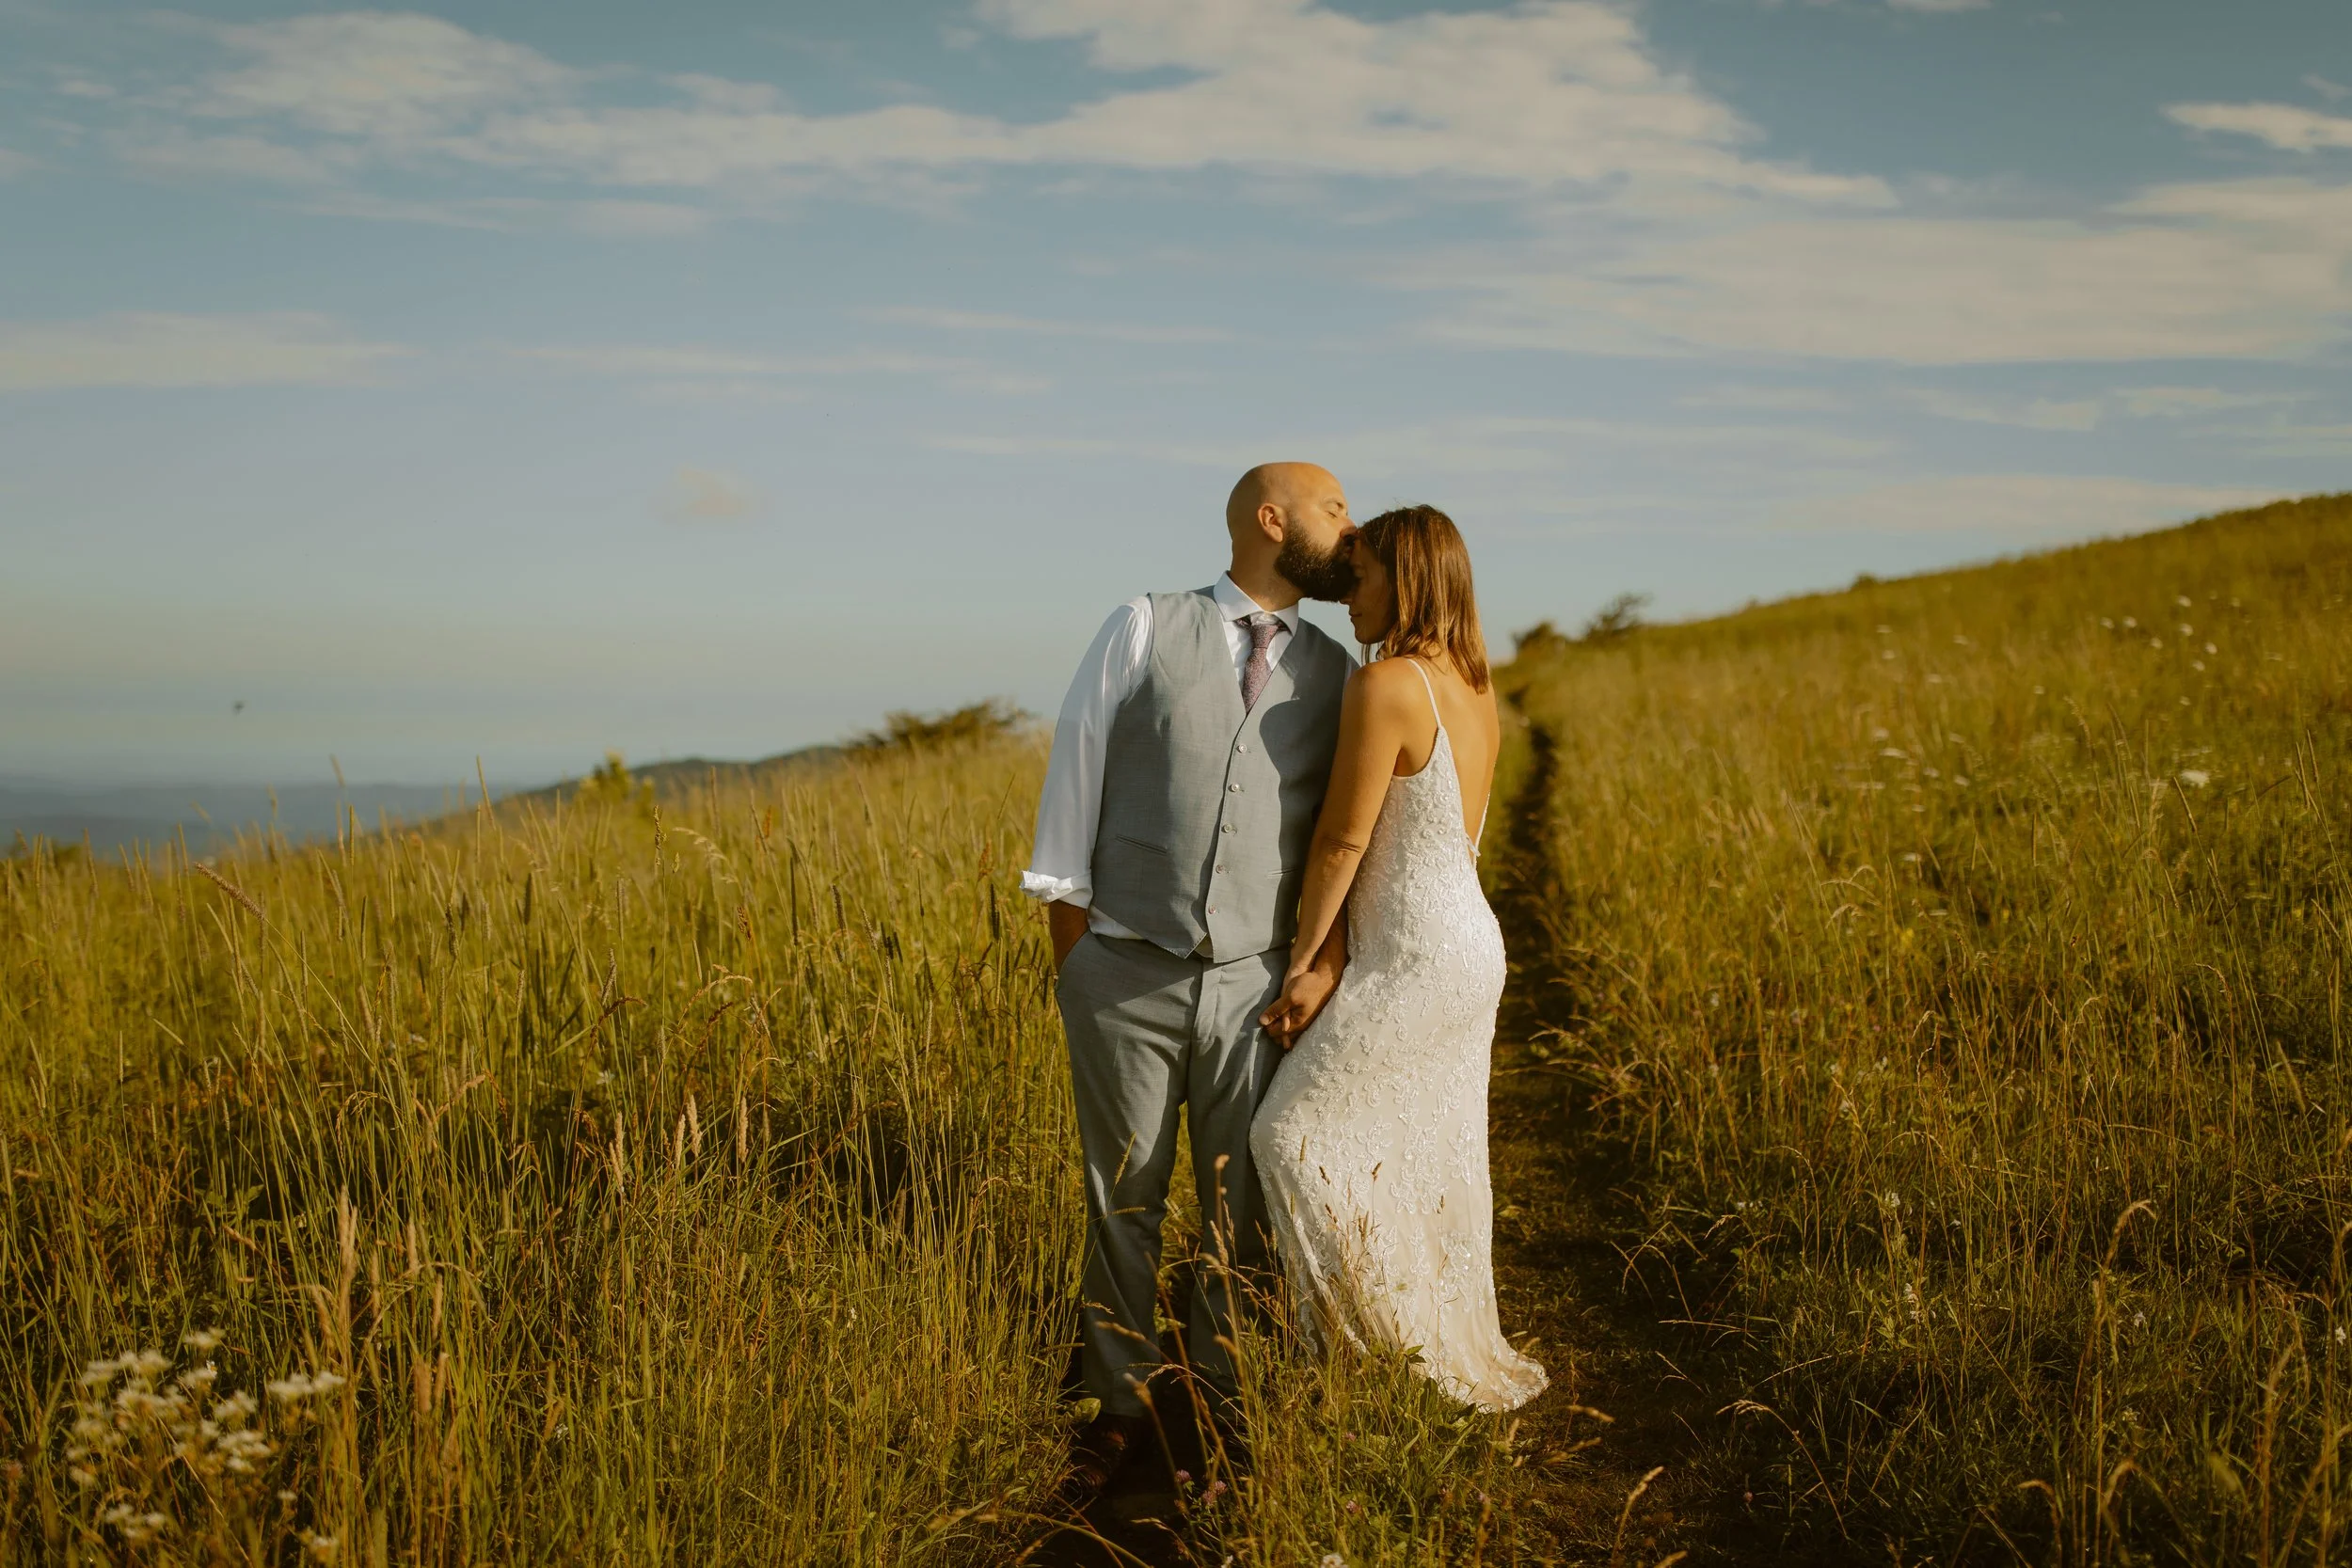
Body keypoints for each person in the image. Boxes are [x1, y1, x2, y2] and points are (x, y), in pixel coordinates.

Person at [1023, 462, 1361, 1497]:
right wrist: (1074, 948)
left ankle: (1218, 1401)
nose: (1350, 527)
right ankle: (1114, 1404)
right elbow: (1074, 765)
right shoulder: (1140, 623)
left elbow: (1343, 839)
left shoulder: (1340, 668)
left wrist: (1316, 964)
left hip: (1255, 982)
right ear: (1272, 519)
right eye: (1334, 508)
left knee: (1239, 1206)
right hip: (1119, 964)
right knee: (1120, 1196)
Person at [1250, 504, 1548, 1412]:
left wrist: (1308, 958)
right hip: (1465, 942)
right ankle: (1412, 1347)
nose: (1349, 598)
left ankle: (1375, 1357)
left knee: (1290, 1137)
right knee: (1418, 1147)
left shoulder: (1389, 688)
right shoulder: (1474, 684)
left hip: (1418, 953)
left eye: (1364, 577)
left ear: (1410, 581)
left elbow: (1343, 840)